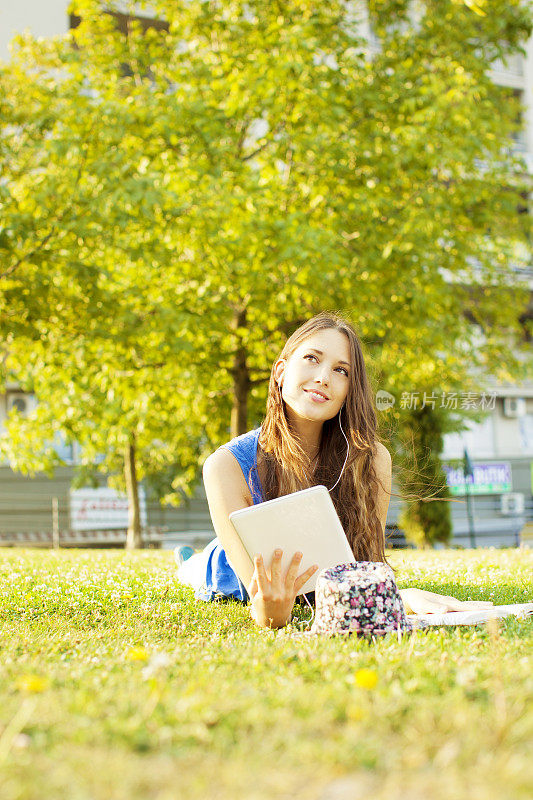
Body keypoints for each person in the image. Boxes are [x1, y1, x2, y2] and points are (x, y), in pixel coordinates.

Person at [177, 311, 492, 628]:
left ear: (349, 391)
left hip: (315, 572)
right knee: (199, 567)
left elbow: (366, 569)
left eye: (341, 370)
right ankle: (188, 559)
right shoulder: (226, 465)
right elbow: (260, 604)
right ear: (280, 372)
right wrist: (271, 614)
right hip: (227, 569)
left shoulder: (371, 460)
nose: (324, 377)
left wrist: (404, 596)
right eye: (312, 358)